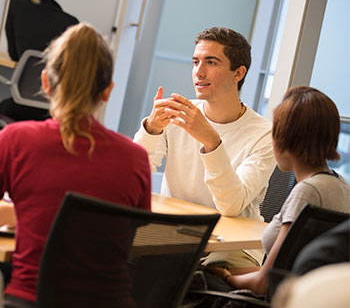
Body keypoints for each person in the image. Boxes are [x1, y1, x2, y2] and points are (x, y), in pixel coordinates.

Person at [0, 23, 151, 307]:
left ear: (45, 82)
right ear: (107, 91)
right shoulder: (135, 158)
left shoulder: (15, 139)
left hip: (33, 300)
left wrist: (24, 214)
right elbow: (132, 233)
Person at [134, 27, 276, 267]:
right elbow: (133, 177)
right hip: (173, 235)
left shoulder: (265, 134)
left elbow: (232, 205)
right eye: (196, 61)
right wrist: (152, 129)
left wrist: (212, 142)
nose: (199, 72)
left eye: (211, 62)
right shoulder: (179, 112)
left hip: (232, 246)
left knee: (205, 281)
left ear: (238, 73)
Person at [206, 86, 350, 296]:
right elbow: (282, 271)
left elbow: (264, 283)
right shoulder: (342, 187)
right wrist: (227, 271)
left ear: (285, 138)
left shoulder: (307, 192)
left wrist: (226, 277)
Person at [1, 0, 79, 121]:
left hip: (17, 105)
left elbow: (16, 55)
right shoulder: (71, 23)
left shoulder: (14, 7)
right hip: (50, 111)